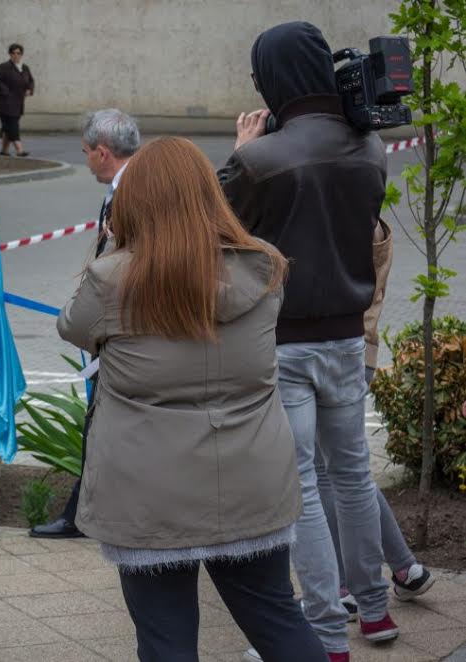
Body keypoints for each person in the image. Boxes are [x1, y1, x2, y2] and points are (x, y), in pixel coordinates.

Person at [59, 136, 327, 662]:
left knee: (166, 641)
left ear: (132, 204)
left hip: (148, 489)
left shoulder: (112, 278)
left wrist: (113, 248)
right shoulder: (264, 268)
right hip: (250, 479)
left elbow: (72, 326)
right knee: (278, 620)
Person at [218, 21, 396, 658]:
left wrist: (240, 150)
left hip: (285, 342)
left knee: (304, 487)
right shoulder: (371, 147)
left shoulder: (260, 159)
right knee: (352, 475)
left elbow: (216, 225)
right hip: (348, 336)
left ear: (274, 77)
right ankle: (374, 610)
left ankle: (323, 631)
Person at [316, 218, 435, 622]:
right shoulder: (371, 219)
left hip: (332, 352)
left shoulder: (338, 217)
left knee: (327, 473)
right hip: (359, 351)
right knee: (350, 472)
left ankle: (343, 588)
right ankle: (405, 569)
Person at [30, 108, 140, 539]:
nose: (86, 160)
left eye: (85, 152)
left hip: (121, 331)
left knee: (103, 422)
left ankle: (84, 515)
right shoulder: (128, 185)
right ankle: (86, 511)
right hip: (117, 326)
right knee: (101, 421)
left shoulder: (132, 192)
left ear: (102, 152)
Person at [0, 43, 35, 157]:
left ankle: (4, 151)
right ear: (10, 54)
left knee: (7, 127)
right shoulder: (4, 66)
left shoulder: (25, 68)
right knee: (13, 125)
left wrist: (29, 89)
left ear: (21, 54)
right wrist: (6, 91)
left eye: (18, 53)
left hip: (18, 102)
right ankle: (19, 150)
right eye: (13, 53)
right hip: (5, 102)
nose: (16, 55)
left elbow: (31, 81)